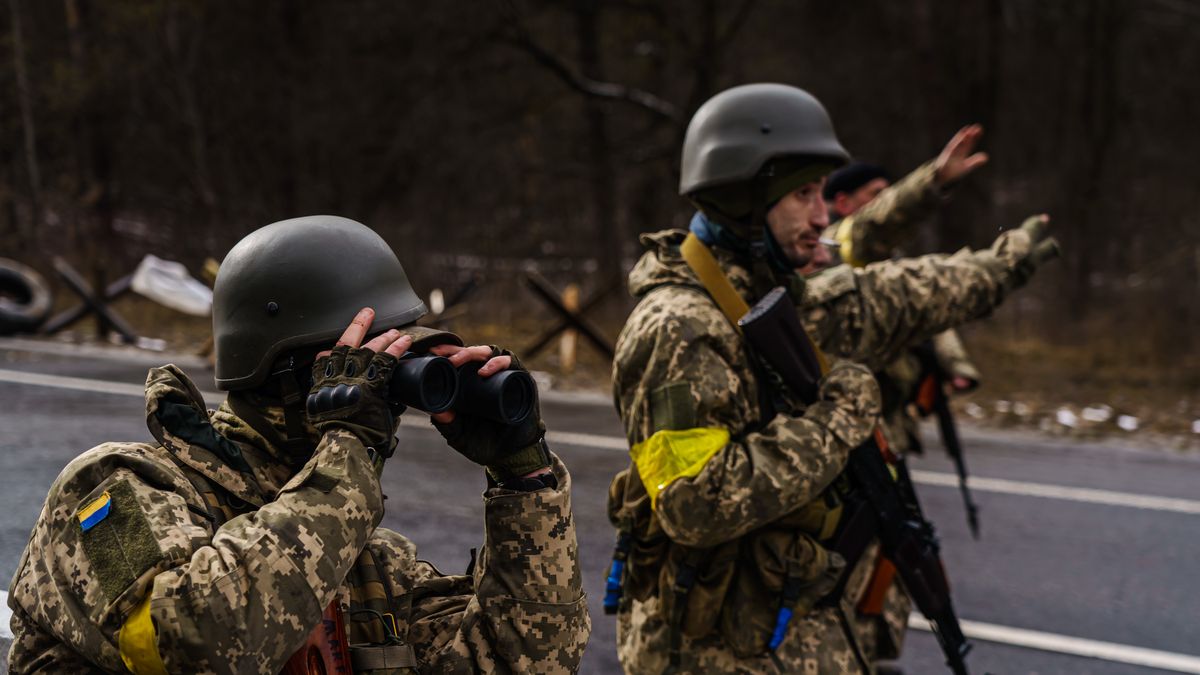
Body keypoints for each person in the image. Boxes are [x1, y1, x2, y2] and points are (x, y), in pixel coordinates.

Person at [7, 216, 590, 674]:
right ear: (289, 373)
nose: (388, 395)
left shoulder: (365, 561)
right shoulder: (113, 487)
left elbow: (518, 660)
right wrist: (348, 451)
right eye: (368, 365)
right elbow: (198, 646)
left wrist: (523, 480)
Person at [606, 83, 1057, 673]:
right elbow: (696, 503)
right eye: (803, 194)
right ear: (745, 196)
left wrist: (1005, 263)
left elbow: (910, 291)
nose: (824, 217)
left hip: (791, 639)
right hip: (711, 655)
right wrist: (840, 418)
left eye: (821, 193)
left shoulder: (781, 299)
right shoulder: (678, 327)